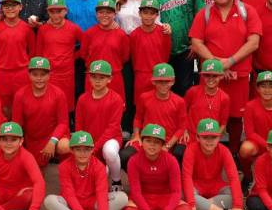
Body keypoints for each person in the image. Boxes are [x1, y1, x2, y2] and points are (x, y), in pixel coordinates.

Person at [190, 0, 262, 155]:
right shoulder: (204, 13)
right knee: (208, 114)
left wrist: (230, 62)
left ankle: (234, 154)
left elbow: (254, 42)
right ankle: (206, 154)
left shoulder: (247, 11)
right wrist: (217, 65)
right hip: (211, 76)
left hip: (239, 74)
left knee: (236, 117)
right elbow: (196, 43)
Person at [44, 131, 128, 210]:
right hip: (71, 205)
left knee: (122, 197)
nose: (82, 153)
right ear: (72, 150)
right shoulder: (64, 166)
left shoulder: (99, 167)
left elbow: (102, 195)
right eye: (78, 149)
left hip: (93, 204)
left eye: (87, 149)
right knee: (49, 201)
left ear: (92, 150)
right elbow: (69, 195)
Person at [121, 123, 193, 210]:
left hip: (165, 198)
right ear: (142, 142)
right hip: (143, 199)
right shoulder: (133, 161)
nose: (152, 145)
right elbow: (136, 193)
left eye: (157, 142)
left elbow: (176, 192)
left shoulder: (171, 160)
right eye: (148, 140)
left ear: (162, 145)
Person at [152, 0, 204, 95]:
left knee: (183, 89)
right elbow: (148, 15)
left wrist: (195, 43)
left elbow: (200, 17)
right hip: (160, 48)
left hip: (185, 49)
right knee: (161, 88)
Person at [123, 63, 189, 169]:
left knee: (181, 154)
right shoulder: (144, 97)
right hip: (147, 140)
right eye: (159, 81)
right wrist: (136, 135)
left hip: (167, 141)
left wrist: (167, 146)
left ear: (172, 81)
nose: (163, 84)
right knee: (124, 156)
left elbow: (182, 127)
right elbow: (138, 118)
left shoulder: (179, 101)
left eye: (166, 81)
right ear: (153, 81)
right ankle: (140, 177)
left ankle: (173, 180)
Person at [181, 118, 247, 210]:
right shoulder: (191, 150)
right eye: (205, 137)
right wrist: (192, 203)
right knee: (183, 194)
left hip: (216, 186)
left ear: (219, 138)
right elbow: (186, 177)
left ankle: (204, 207)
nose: (209, 141)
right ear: (197, 137)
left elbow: (234, 177)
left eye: (213, 137)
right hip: (196, 186)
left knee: (235, 197)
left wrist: (238, 206)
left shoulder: (224, 151)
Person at [74, 60, 125, 189]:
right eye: (94, 77)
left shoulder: (116, 99)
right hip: (89, 142)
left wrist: (94, 148)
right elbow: (79, 126)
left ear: (109, 79)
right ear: (89, 78)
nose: (97, 81)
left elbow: (113, 128)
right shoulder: (82, 99)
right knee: (96, 180)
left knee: (110, 152)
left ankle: (116, 181)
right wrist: (83, 147)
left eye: (102, 77)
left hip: (110, 139)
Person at [239, 71, 272, 188]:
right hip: (258, 145)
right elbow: (250, 133)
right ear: (257, 89)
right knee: (245, 149)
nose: (267, 90)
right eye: (263, 86)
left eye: (271, 86)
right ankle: (248, 177)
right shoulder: (250, 106)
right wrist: (267, 145)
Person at [12, 57, 70, 167]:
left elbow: (63, 123)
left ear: (49, 75)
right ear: (29, 75)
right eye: (35, 74)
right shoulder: (20, 95)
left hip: (54, 135)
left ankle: (67, 169)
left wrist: (53, 141)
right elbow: (17, 124)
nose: (39, 78)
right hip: (33, 138)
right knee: (37, 175)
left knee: (65, 146)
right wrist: (18, 143)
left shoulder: (58, 94)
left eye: (43, 74)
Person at [0, 0, 36, 114]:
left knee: (22, 104)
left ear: (20, 7)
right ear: (2, 9)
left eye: (13, 5)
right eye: (6, 6)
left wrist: (23, 65)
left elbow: (32, 51)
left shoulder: (26, 28)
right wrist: (3, 63)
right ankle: (6, 131)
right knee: (4, 107)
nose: (10, 8)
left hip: (21, 72)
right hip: (2, 73)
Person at [36, 0, 83, 113]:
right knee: (48, 104)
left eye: (59, 11)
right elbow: (39, 52)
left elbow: (86, 46)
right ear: (47, 12)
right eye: (52, 11)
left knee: (66, 105)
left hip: (66, 74)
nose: (56, 15)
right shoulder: (43, 29)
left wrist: (73, 57)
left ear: (65, 11)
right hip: (49, 74)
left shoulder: (74, 28)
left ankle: (65, 129)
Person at [79, 0, 130, 102]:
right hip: (93, 78)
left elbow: (125, 57)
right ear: (96, 14)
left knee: (115, 111)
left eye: (108, 12)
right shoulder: (89, 33)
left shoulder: (121, 35)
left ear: (114, 14)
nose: (104, 15)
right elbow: (83, 54)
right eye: (101, 12)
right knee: (92, 110)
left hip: (114, 78)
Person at [129, 0, 172, 101]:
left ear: (157, 15)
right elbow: (133, 57)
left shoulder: (164, 32)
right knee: (141, 107)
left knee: (159, 106)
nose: (148, 16)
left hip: (160, 76)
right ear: (140, 14)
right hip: (141, 77)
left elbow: (166, 55)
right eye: (145, 12)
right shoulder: (133, 35)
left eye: (152, 13)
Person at [185, 59, 231, 132]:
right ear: (202, 76)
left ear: (221, 76)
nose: (211, 79)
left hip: (211, 138)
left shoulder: (224, 98)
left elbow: (223, 124)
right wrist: (184, 130)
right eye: (207, 75)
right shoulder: (192, 91)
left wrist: (215, 138)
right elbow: (183, 113)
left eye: (215, 76)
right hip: (191, 136)